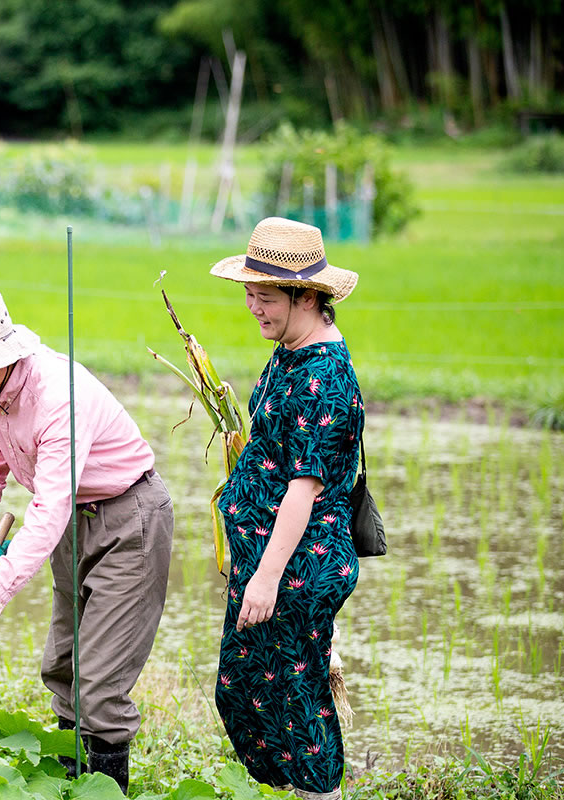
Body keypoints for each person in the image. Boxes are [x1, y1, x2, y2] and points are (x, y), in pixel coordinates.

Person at [0, 286, 173, 793]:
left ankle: (105, 789)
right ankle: (69, 785)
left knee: (99, 683)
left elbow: (47, 511)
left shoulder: (56, 396)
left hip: (128, 520)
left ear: (3, 354)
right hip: (73, 521)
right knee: (64, 666)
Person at [207, 217, 364, 800]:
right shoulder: (289, 352)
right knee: (241, 689)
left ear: (307, 297)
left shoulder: (324, 375)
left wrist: (267, 576)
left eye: (265, 297)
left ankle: (321, 794)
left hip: (298, 568)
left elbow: (304, 488)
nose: (253, 307)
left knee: (296, 706)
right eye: (248, 293)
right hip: (268, 563)